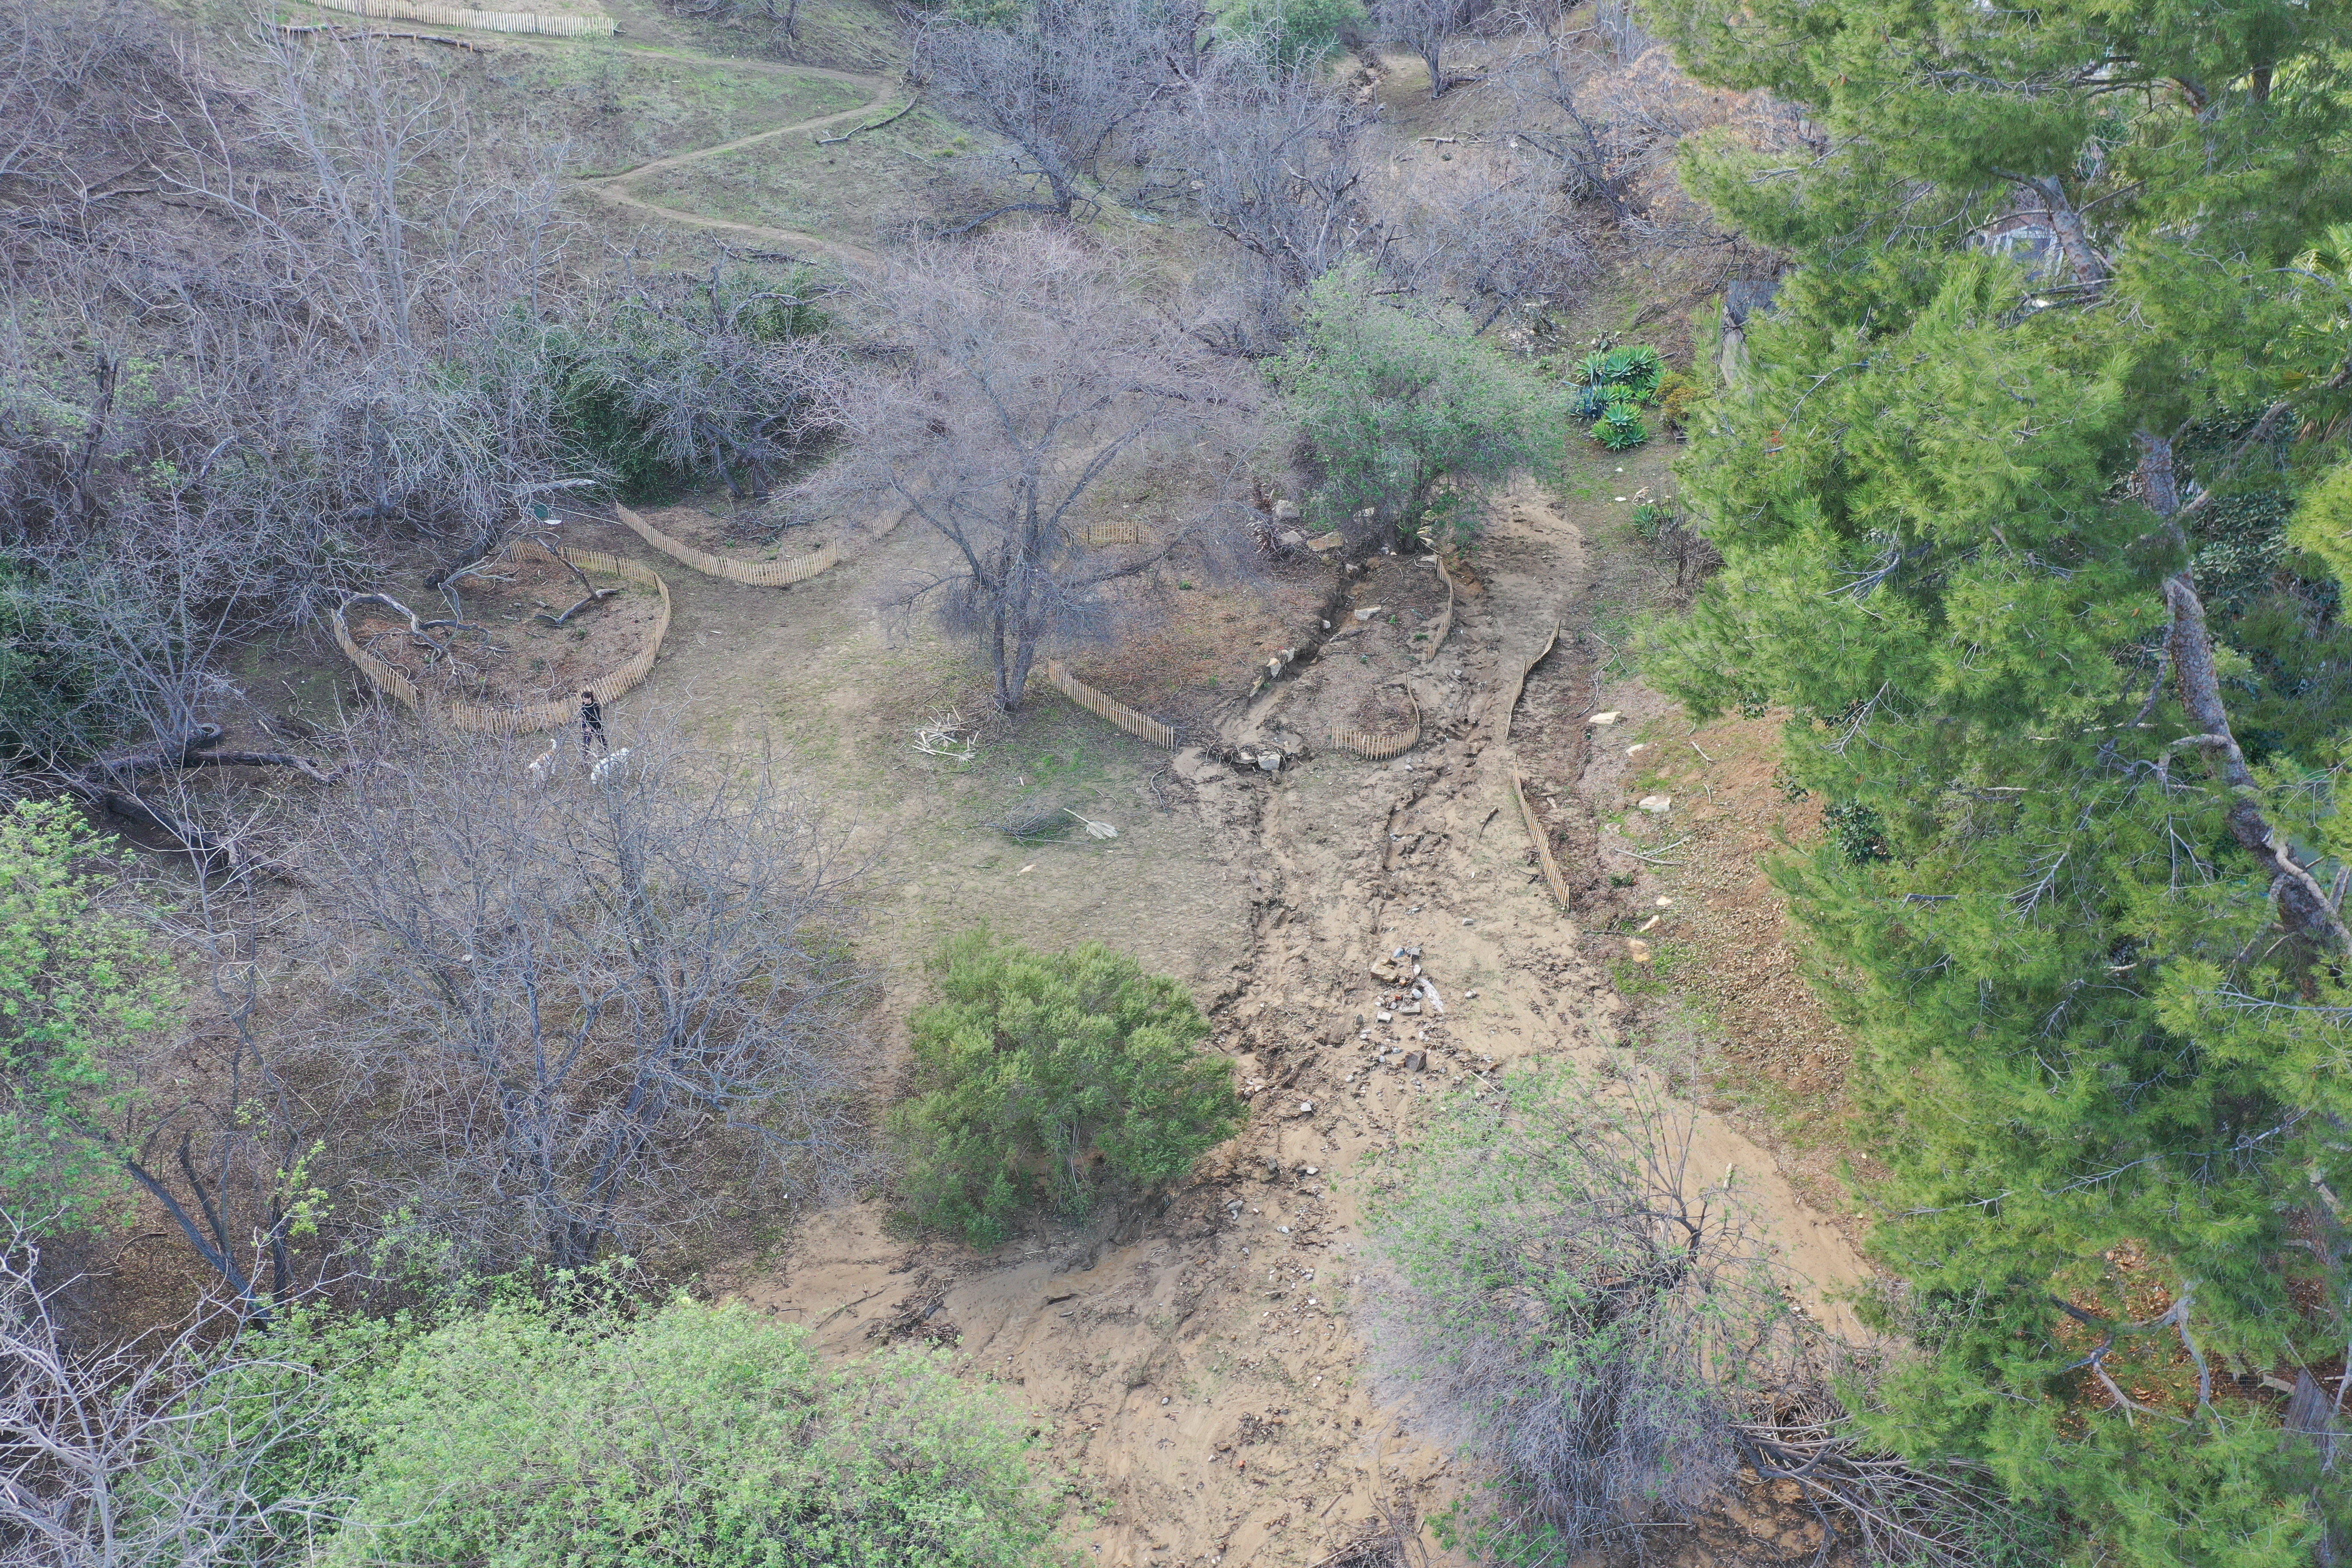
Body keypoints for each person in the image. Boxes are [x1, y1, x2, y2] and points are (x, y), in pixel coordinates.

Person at [579, 690, 607, 754]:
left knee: (601, 739)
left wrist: (591, 727)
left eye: (585, 699)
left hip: (596, 725)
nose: (584, 701)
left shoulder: (595, 706)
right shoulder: (584, 706)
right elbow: (583, 716)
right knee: (586, 742)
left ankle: (606, 750)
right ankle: (585, 755)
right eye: (583, 699)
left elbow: (597, 718)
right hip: (587, 727)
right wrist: (584, 727)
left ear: (590, 698)